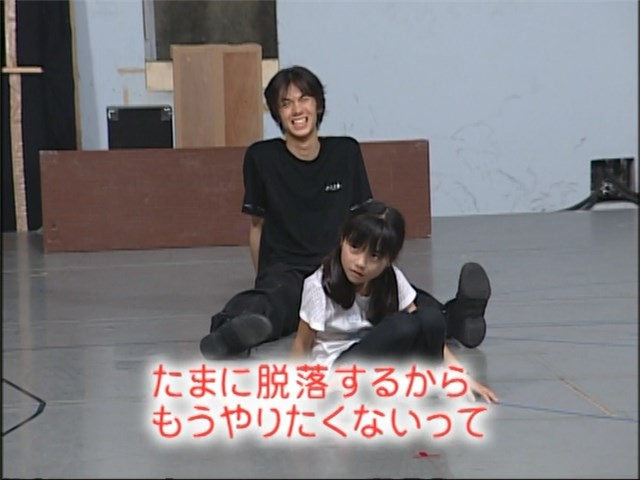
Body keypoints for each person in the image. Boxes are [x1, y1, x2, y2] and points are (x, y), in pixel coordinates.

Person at [199, 65, 491, 361]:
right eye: (286, 103)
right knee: (272, 300)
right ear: (277, 113)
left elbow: (366, 220)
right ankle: (229, 333)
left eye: (304, 99)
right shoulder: (261, 157)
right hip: (287, 269)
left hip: (339, 263)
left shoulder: (345, 152)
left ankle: (460, 318)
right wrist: (264, 278)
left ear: (318, 105)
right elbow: (257, 226)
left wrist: (373, 262)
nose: (297, 110)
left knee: (397, 296)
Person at [290, 199, 499, 403]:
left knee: (431, 318)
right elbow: (302, 344)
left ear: (389, 259)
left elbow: (426, 328)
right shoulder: (318, 286)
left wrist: (462, 377)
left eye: (374, 256)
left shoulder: (391, 279)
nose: (361, 263)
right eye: (354, 247)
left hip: (377, 372)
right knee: (403, 325)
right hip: (338, 377)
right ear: (342, 240)